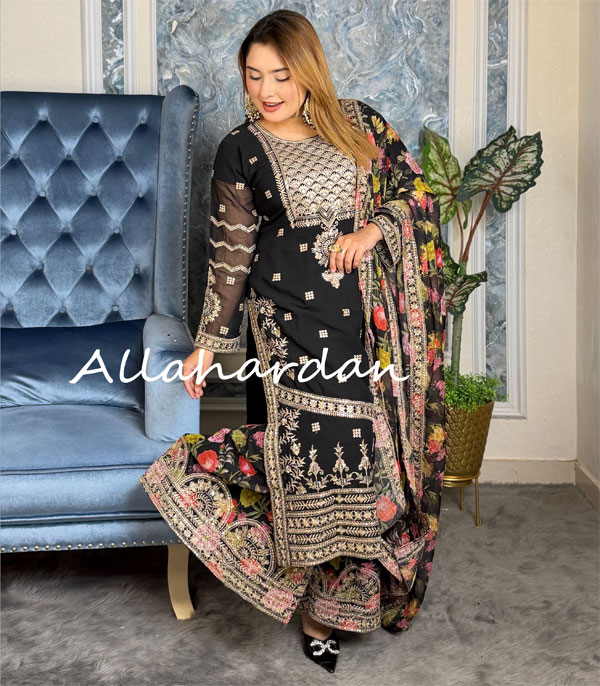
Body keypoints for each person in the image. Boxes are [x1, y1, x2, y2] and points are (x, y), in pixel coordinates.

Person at [139, 8, 447, 674]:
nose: (266, 89)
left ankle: (333, 606)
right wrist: (208, 344)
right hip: (284, 327)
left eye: (280, 74)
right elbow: (231, 254)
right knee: (305, 463)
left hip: (365, 327)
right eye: (253, 76)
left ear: (307, 70)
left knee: (361, 465)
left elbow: (415, 193)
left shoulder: (360, 126)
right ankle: (303, 603)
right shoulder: (240, 149)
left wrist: (372, 230)